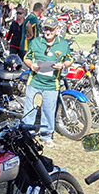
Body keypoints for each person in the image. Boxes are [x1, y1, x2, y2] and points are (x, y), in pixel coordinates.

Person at [22, 16, 72, 148]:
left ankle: (46, 135)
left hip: (51, 85)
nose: (48, 32)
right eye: (45, 29)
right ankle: (27, 134)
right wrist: (31, 65)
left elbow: (69, 59)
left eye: (51, 29)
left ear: (57, 29)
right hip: (34, 83)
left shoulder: (63, 44)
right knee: (30, 109)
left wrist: (63, 65)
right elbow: (26, 58)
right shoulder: (36, 42)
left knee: (48, 110)